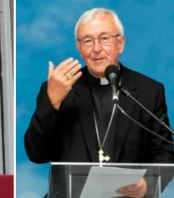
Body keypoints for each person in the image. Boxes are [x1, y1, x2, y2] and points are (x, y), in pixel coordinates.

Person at [24, 8, 174, 198]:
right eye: (87, 41)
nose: (96, 49)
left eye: (104, 39)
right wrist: (52, 102)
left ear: (120, 43)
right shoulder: (58, 88)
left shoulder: (148, 91)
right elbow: (36, 154)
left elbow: (163, 152)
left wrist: (148, 184)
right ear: (79, 48)